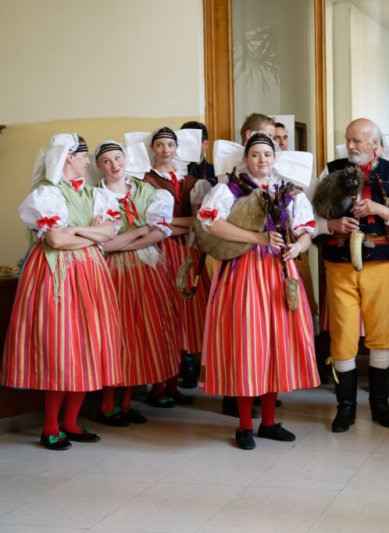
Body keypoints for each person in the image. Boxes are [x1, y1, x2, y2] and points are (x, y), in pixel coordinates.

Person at [198, 132, 319, 449]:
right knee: (246, 345)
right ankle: (243, 425)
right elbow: (211, 225)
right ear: (246, 159)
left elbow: (306, 231)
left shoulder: (288, 192)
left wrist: (298, 247)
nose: (262, 159)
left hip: (278, 272)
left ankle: (268, 422)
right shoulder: (229, 189)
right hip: (242, 271)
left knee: (275, 345)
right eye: (255, 154)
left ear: (275, 159)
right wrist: (259, 239)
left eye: (267, 154)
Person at [1, 134, 121, 450]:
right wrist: (91, 236)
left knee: (87, 346)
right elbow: (55, 240)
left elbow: (109, 233)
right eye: (83, 156)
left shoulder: (95, 194)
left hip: (90, 275)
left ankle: (71, 422)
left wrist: (76, 230)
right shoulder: (47, 193)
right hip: (57, 275)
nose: (87, 161)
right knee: (61, 348)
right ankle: (51, 426)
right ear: (69, 156)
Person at [313, 118, 389, 433]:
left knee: (380, 335)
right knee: (343, 336)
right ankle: (345, 409)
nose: (350, 146)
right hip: (338, 266)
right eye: (348, 139)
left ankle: (380, 406)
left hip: (379, 266)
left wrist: (379, 209)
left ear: (376, 145)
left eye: (357, 140)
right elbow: (306, 218)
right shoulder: (331, 170)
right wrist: (331, 225)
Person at [93, 141, 181, 427]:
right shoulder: (97, 196)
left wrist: (127, 243)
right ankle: (107, 405)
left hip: (147, 269)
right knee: (118, 337)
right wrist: (141, 231)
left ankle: (126, 403)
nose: (114, 165)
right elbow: (103, 245)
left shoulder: (146, 191)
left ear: (125, 159)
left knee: (141, 336)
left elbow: (160, 232)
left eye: (117, 158)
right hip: (113, 275)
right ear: (99, 166)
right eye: (107, 161)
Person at [140, 126, 210, 408]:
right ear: (152, 149)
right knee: (164, 316)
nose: (166, 150)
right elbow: (149, 223)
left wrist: (169, 224)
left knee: (184, 317)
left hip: (188, 250)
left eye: (170, 144)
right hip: (161, 251)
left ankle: (172, 385)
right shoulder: (145, 180)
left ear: (177, 148)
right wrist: (179, 225)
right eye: (160, 145)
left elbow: (199, 221)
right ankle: (158, 388)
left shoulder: (191, 181)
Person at [182, 121, 216, 186]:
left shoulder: (216, 173)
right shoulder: (176, 173)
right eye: (185, 142)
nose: (188, 146)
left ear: (205, 144)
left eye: (192, 142)